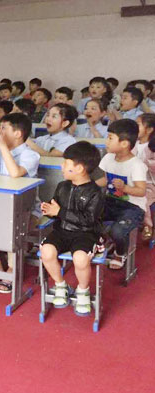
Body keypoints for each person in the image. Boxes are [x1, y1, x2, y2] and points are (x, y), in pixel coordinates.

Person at [40, 141, 104, 315]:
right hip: (61, 231)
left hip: (85, 234)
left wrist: (60, 211)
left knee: (81, 259)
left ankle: (83, 290)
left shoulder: (95, 193)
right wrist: (50, 211)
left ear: (80, 168)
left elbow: (89, 220)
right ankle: (61, 285)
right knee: (46, 252)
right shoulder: (62, 186)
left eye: (66, 163)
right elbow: (56, 209)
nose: (62, 167)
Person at [0, 113, 40, 293]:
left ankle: (12, 270)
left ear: (18, 133)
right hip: (0, 205)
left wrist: (3, 147)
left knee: (14, 226)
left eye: (4, 128)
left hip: (26, 209)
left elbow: (15, 173)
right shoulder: (0, 150)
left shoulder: (31, 155)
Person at [95, 119, 147, 269]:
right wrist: (89, 185)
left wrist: (125, 188)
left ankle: (120, 251)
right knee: (88, 216)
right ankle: (106, 240)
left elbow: (141, 191)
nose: (107, 141)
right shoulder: (108, 158)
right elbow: (105, 180)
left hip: (132, 207)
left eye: (110, 138)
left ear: (124, 143)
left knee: (118, 231)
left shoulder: (136, 165)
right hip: (111, 202)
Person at [136, 114, 155, 238]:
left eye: (138, 125)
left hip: (149, 183)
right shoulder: (133, 144)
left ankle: (147, 225)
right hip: (132, 181)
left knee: (142, 197)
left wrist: (145, 163)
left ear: (149, 130)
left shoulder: (152, 148)